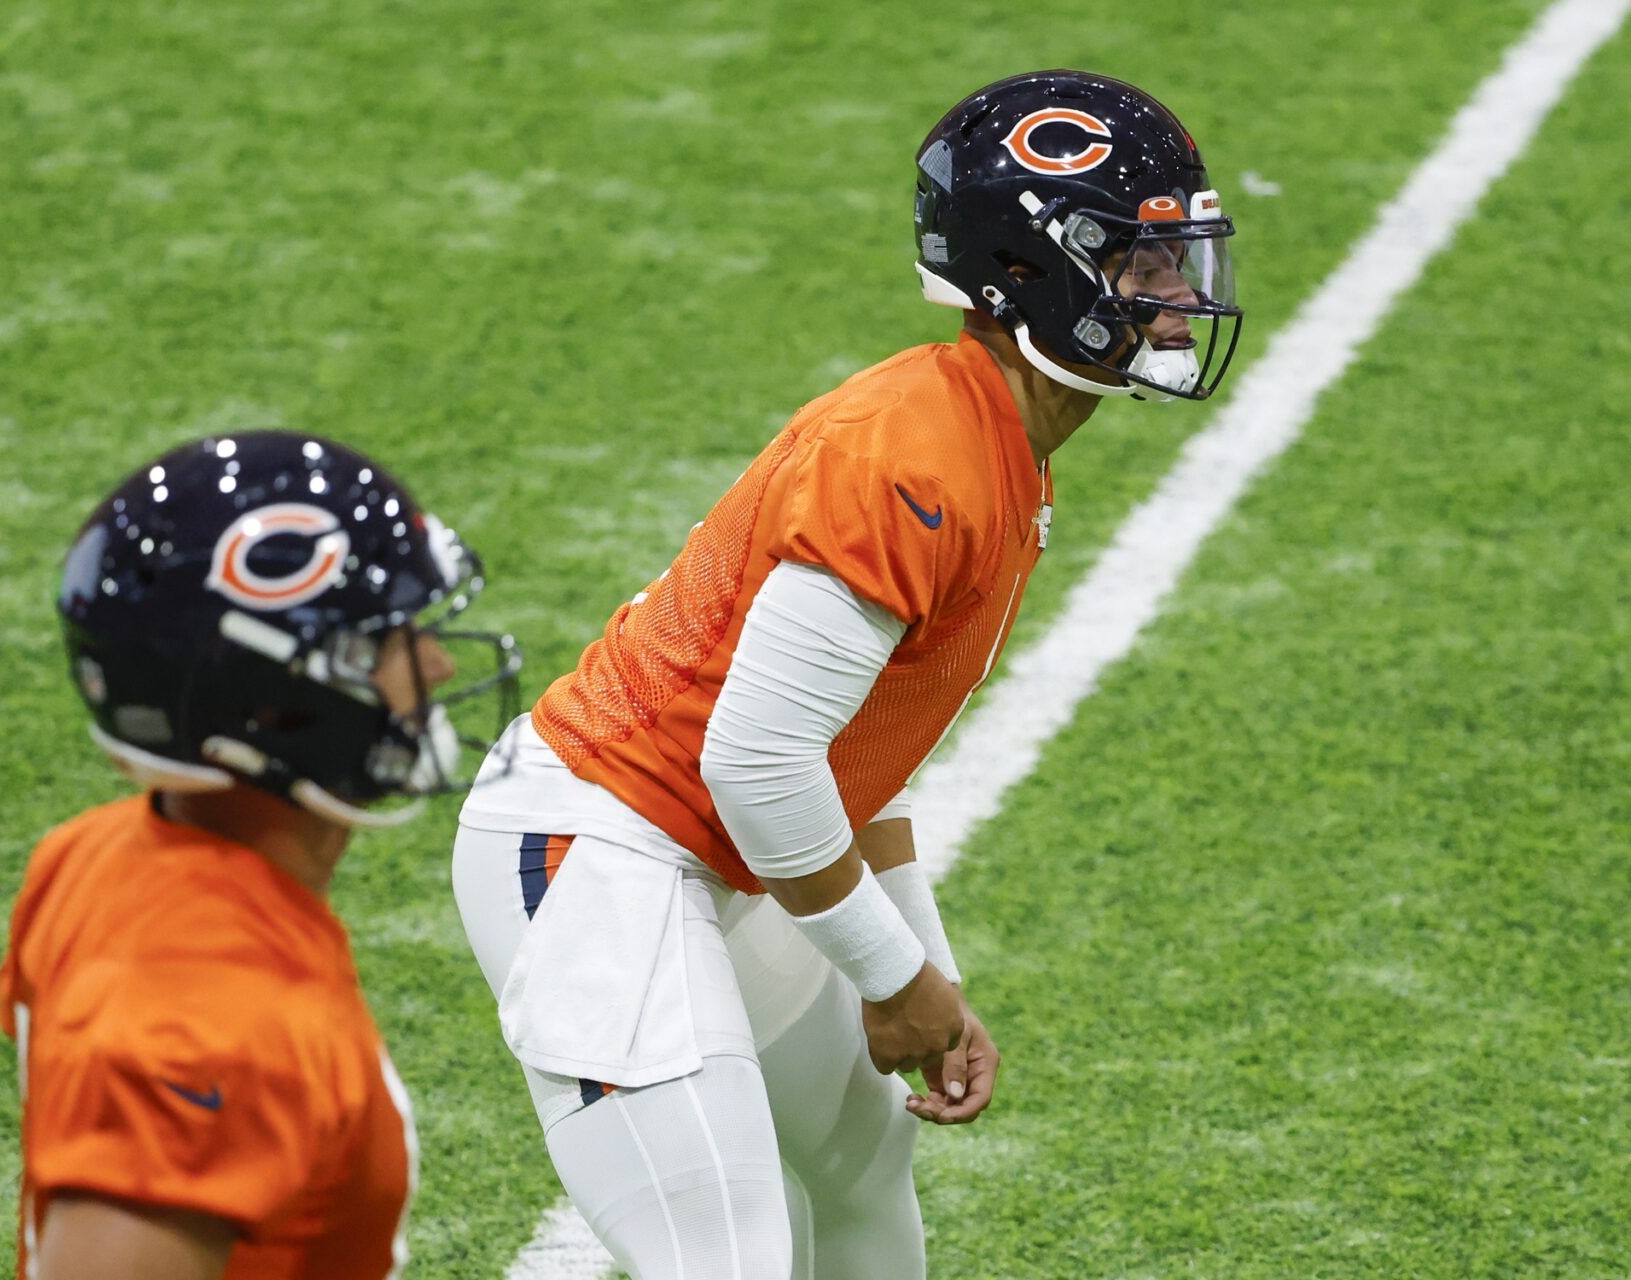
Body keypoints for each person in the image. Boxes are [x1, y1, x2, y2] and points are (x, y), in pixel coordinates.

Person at [452, 68, 1242, 1280]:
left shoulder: (993, 438)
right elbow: (759, 762)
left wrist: (932, 974)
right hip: (601, 848)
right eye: (1144, 266)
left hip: (717, 849)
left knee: (861, 1168)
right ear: (1032, 271)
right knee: (726, 1254)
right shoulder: (921, 456)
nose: (1181, 297)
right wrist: (895, 974)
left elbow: (852, 752)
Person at [0, 431, 521, 1280]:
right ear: (275, 703)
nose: (436, 659)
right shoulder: (202, 1032)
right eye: (390, 639)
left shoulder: (89, 856)